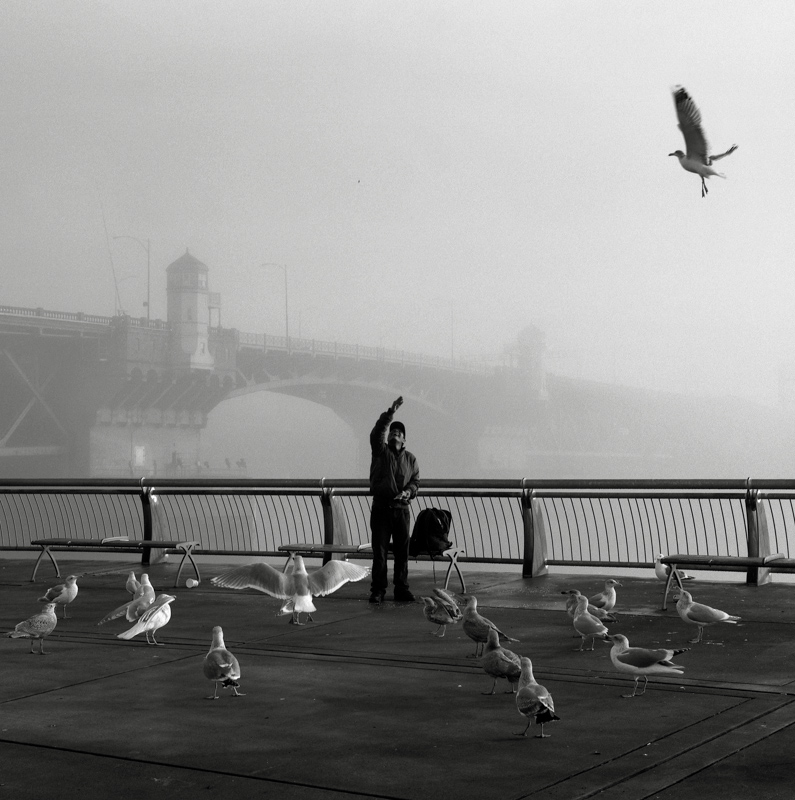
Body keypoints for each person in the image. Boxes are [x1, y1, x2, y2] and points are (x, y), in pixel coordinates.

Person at [368, 396, 420, 604]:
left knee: (401, 553)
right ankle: (378, 590)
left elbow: (415, 481)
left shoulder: (411, 459)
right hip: (382, 507)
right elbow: (377, 432)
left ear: (404, 441)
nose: (394, 433)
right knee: (379, 552)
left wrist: (408, 492)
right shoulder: (380, 452)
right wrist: (391, 413)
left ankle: (401, 589)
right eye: (392, 431)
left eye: (399, 433)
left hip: (401, 510)